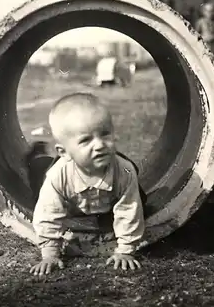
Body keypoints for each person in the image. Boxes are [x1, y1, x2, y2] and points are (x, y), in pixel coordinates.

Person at [29, 93, 145, 276]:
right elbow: (47, 214)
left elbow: (129, 210)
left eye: (105, 134)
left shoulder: (124, 172)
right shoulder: (58, 176)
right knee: (38, 175)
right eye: (85, 140)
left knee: (139, 193)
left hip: (104, 204)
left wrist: (125, 250)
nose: (99, 145)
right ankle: (37, 153)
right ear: (64, 152)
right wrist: (50, 254)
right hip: (67, 194)